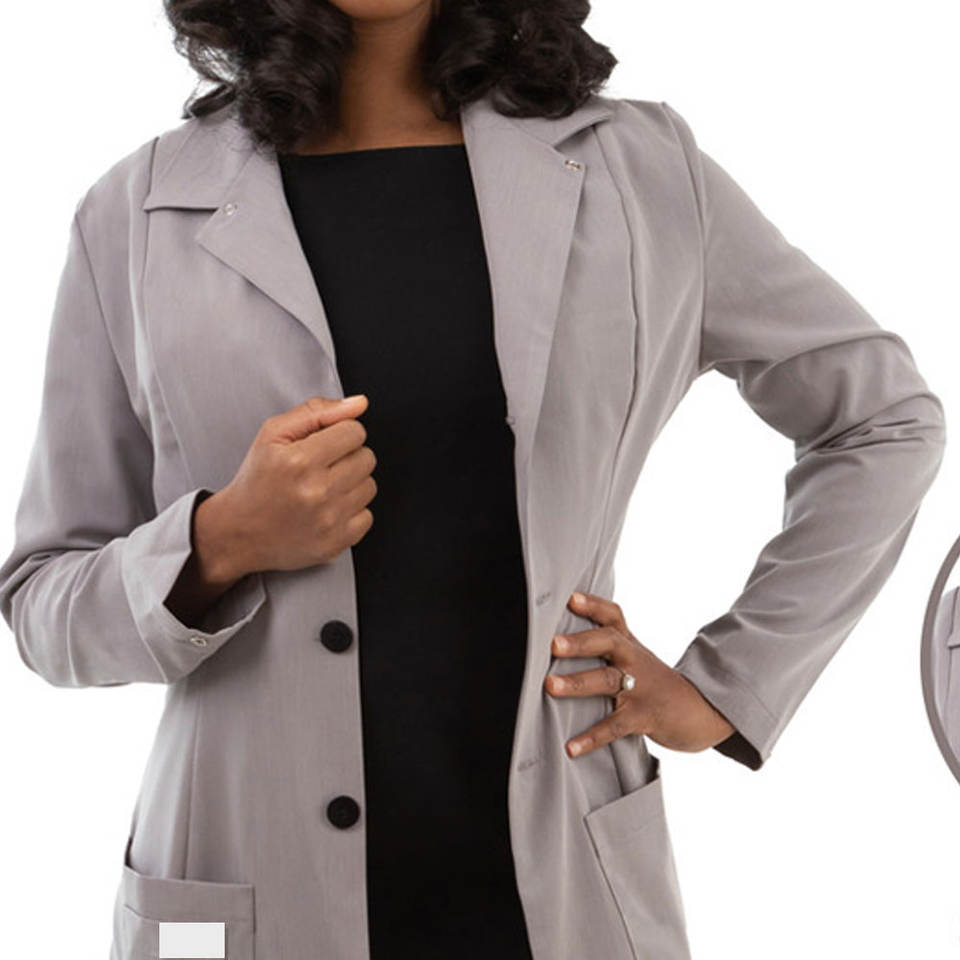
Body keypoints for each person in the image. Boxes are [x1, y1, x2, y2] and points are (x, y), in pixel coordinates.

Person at [0, 2, 946, 959]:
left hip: (559, 890)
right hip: (244, 875)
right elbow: (42, 603)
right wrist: (219, 542)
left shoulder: (639, 171)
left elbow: (883, 419)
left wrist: (732, 684)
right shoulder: (134, 214)